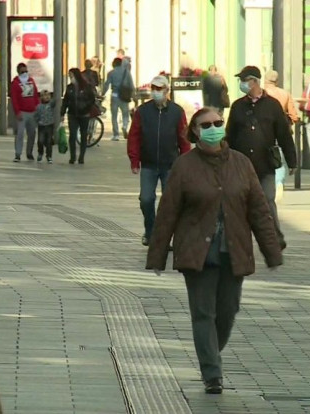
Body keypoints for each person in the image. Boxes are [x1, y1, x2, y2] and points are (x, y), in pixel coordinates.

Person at [145, 107, 283, 395]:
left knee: (228, 311)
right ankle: (212, 373)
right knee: (203, 314)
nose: (212, 128)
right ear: (194, 131)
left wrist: (272, 251)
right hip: (197, 253)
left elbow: (259, 210)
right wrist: (157, 255)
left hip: (234, 250)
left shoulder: (241, 163)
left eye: (217, 123)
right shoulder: (184, 166)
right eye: (205, 124)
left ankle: (210, 353)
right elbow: (167, 212)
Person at [226, 65, 297, 250]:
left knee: (266, 201)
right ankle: (239, 241)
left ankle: (275, 238)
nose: (241, 84)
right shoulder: (238, 106)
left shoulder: (272, 105)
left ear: (254, 81)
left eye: (244, 80)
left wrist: (292, 160)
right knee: (240, 203)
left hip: (265, 164)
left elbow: (283, 134)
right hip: (241, 165)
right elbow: (230, 135)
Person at [127, 75, 191, 246]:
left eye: (159, 89)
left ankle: (165, 237)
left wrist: (185, 162)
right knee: (146, 199)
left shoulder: (177, 111)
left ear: (167, 91)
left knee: (170, 203)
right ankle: (150, 230)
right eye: (153, 88)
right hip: (148, 164)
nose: (156, 92)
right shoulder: (143, 111)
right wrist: (134, 160)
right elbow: (134, 136)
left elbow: (183, 138)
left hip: (170, 164)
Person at [264, 69, 299, 201]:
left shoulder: (262, 94)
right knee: (279, 157)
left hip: (265, 131)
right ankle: (279, 183)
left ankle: (269, 183)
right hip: (282, 129)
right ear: (277, 81)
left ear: (265, 80)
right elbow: (293, 115)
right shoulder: (284, 94)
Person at [60, 68, 96, 165]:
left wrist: (86, 107)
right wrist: (62, 113)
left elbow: (92, 99)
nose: (70, 77)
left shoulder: (86, 87)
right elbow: (65, 101)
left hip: (84, 114)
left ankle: (81, 157)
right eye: (69, 75)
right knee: (72, 135)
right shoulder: (69, 88)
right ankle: (73, 157)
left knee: (83, 135)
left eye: (71, 75)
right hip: (72, 114)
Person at [10, 62, 40, 162]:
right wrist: (17, 112)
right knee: (20, 134)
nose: (25, 73)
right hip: (22, 112)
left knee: (32, 133)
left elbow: (35, 95)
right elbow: (14, 99)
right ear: (18, 72)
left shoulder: (31, 81)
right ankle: (18, 154)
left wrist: (37, 107)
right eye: (22, 71)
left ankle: (29, 153)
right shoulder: (15, 83)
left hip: (32, 112)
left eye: (26, 71)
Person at [102, 57, 133, 141]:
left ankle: (116, 135)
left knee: (114, 116)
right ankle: (124, 126)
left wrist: (102, 94)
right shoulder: (127, 72)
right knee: (125, 113)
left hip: (114, 95)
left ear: (114, 63)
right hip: (124, 95)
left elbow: (106, 85)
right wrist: (132, 95)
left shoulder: (111, 73)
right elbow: (131, 84)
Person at [34, 90, 56, 164]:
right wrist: (37, 122)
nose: (46, 97)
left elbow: (55, 101)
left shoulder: (51, 104)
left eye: (48, 95)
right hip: (41, 126)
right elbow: (36, 116)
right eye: (44, 95)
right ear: (41, 97)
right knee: (40, 140)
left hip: (50, 125)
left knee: (49, 141)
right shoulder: (39, 106)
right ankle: (40, 153)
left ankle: (49, 156)